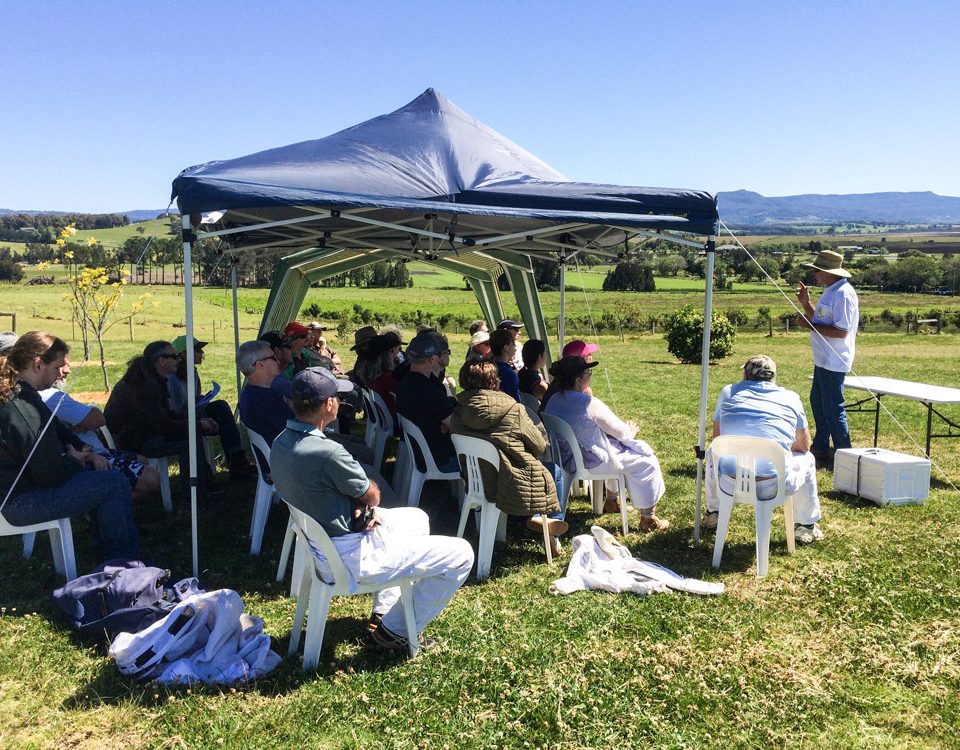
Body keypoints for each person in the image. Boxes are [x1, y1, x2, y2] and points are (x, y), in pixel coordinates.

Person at [270, 367, 473, 652]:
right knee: (462, 554)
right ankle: (396, 630)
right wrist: (363, 504)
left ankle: (385, 613)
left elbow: (325, 491)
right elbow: (372, 495)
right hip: (346, 556)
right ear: (329, 404)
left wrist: (353, 506)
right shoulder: (327, 451)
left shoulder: (281, 442)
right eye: (337, 397)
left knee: (417, 519)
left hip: (321, 542)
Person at [0, 332, 139, 560]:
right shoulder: (20, 407)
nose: (59, 374)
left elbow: (58, 429)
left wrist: (85, 451)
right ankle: (124, 564)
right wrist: (76, 460)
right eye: (56, 367)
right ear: (37, 365)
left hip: (20, 491)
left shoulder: (22, 393)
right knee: (114, 483)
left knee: (101, 476)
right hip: (17, 502)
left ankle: (110, 553)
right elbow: (50, 474)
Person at [703, 355, 823, 544]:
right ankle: (805, 525)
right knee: (806, 457)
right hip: (774, 484)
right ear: (773, 377)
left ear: (745, 374)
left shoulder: (728, 392)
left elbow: (718, 437)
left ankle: (714, 511)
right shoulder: (791, 398)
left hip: (728, 481)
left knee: (713, 451)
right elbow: (804, 445)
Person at [544, 355, 669, 532]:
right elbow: (620, 431)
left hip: (566, 458)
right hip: (591, 462)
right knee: (647, 462)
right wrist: (630, 431)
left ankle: (611, 500)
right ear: (579, 380)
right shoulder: (589, 403)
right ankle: (648, 518)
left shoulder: (554, 400)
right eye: (588, 372)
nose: (590, 375)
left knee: (610, 446)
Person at [450, 359, 566, 545]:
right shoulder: (513, 408)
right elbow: (539, 445)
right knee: (554, 471)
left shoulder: (458, 411)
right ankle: (550, 526)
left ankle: (533, 519)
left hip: (476, 481)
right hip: (512, 481)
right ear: (494, 382)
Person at [237, 340, 381, 479]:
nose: (278, 359)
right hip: (295, 459)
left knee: (359, 446)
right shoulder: (261, 401)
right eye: (273, 357)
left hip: (292, 451)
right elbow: (298, 433)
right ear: (260, 365)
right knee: (365, 453)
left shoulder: (256, 393)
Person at [105, 340, 217, 500]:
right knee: (189, 442)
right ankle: (193, 499)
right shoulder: (144, 386)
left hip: (144, 433)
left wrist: (194, 421)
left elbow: (164, 415)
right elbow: (162, 424)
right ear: (161, 360)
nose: (179, 359)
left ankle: (204, 488)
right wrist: (196, 425)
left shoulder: (151, 378)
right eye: (174, 356)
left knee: (192, 432)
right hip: (133, 441)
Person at [39, 382, 161, 501]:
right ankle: (97, 505)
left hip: (98, 451)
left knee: (144, 461)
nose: (66, 369)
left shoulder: (47, 396)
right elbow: (98, 419)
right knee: (153, 479)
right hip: (91, 456)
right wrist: (88, 415)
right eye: (59, 366)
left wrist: (85, 422)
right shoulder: (51, 397)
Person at [795, 249, 859, 464]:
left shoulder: (843, 293)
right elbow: (821, 320)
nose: (814, 274)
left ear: (829, 272)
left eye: (817, 270)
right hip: (823, 358)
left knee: (833, 407)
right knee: (818, 402)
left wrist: (809, 325)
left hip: (835, 359)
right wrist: (806, 303)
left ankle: (844, 454)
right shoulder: (831, 290)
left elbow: (841, 331)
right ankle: (821, 447)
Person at [167, 336, 252, 480]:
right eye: (197, 350)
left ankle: (237, 460)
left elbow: (194, 396)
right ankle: (204, 474)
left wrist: (203, 399)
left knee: (221, 406)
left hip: (194, 411)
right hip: (181, 418)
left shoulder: (192, 372)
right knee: (216, 413)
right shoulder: (172, 377)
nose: (202, 353)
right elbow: (176, 408)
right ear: (183, 354)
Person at [395, 332, 458, 473]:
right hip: (438, 458)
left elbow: (447, 415)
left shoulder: (406, 382)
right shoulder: (427, 389)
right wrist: (448, 421)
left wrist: (446, 419)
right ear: (432, 359)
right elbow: (456, 424)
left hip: (419, 452)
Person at [489, 329, 520, 403]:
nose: (515, 348)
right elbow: (516, 401)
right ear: (506, 348)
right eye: (513, 344)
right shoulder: (508, 373)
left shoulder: (488, 368)